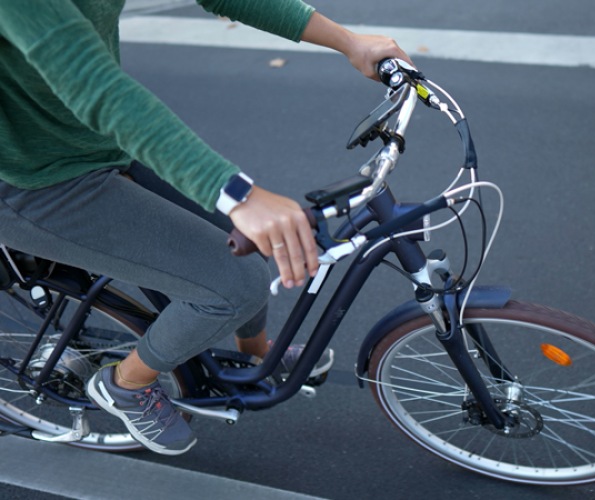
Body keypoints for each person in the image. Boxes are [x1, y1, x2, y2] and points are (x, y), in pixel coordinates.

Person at [0, 0, 412, 455]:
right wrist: (239, 195)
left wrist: (349, 42)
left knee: (249, 245)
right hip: (30, 182)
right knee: (235, 285)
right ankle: (126, 384)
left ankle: (257, 354)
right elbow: (93, 85)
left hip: (97, 144)